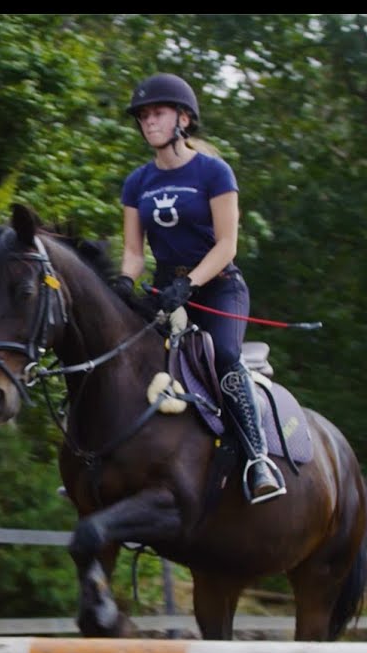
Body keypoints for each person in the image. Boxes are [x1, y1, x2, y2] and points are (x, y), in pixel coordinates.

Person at [110, 72, 286, 504]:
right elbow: (134, 252)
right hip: (165, 292)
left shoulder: (213, 172)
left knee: (223, 355)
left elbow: (227, 245)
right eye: (143, 116)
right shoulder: (137, 182)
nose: (149, 121)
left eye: (158, 113)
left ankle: (257, 458)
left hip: (218, 287)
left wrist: (190, 283)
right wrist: (124, 282)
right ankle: (107, 461)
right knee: (124, 355)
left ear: (184, 119)